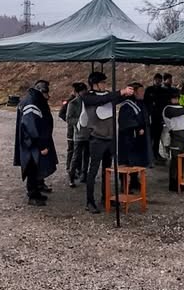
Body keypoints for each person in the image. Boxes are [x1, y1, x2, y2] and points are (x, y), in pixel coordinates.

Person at [81, 71, 136, 214]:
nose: (105, 85)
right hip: (97, 139)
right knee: (92, 171)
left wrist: (125, 93)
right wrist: (120, 92)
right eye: (103, 82)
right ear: (95, 84)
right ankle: (89, 201)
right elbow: (102, 100)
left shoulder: (105, 96)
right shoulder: (88, 97)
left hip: (109, 139)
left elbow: (111, 98)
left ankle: (106, 198)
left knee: (107, 171)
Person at [14, 81, 58, 206]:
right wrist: (41, 145)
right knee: (32, 168)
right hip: (32, 143)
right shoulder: (32, 103)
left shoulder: (33, 100)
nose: (48, 96)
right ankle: (32, 195)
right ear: (41, 92)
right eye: (46, 93)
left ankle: (36, 192)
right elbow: (31, 126)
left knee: (35, 167)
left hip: (32, 142)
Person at [118, 82, 151, 192]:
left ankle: (134, 181)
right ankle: (124, 186)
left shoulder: (140, 103)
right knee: (126, 162)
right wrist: (137, 127)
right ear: (134, 92)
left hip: (137, 138)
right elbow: (125, 121)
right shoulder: (127, 105)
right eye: (141, 91)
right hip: (128, 138)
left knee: (136, 161)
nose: (143, 93)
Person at [65, 82, 89, 187]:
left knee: (87, 155)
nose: (85, 93)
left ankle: (84, 174)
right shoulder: (73, 103)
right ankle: (71, 176)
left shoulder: (88, 102)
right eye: (83, 91)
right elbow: (68, 118)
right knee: (76, 156)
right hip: (78, 133)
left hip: (88, 133)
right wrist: (79, 122)